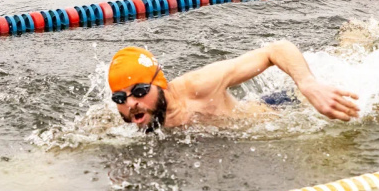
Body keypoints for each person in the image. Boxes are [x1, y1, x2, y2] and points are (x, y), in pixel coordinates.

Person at [107, 42, 360, 132]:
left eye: (139, 92)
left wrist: (308, 84)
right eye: (120, 98)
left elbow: (275, 50)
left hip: (282, 111)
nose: (131, 104)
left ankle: (356, 39)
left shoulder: (199, 86)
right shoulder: (127, 120)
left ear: (159, 84)